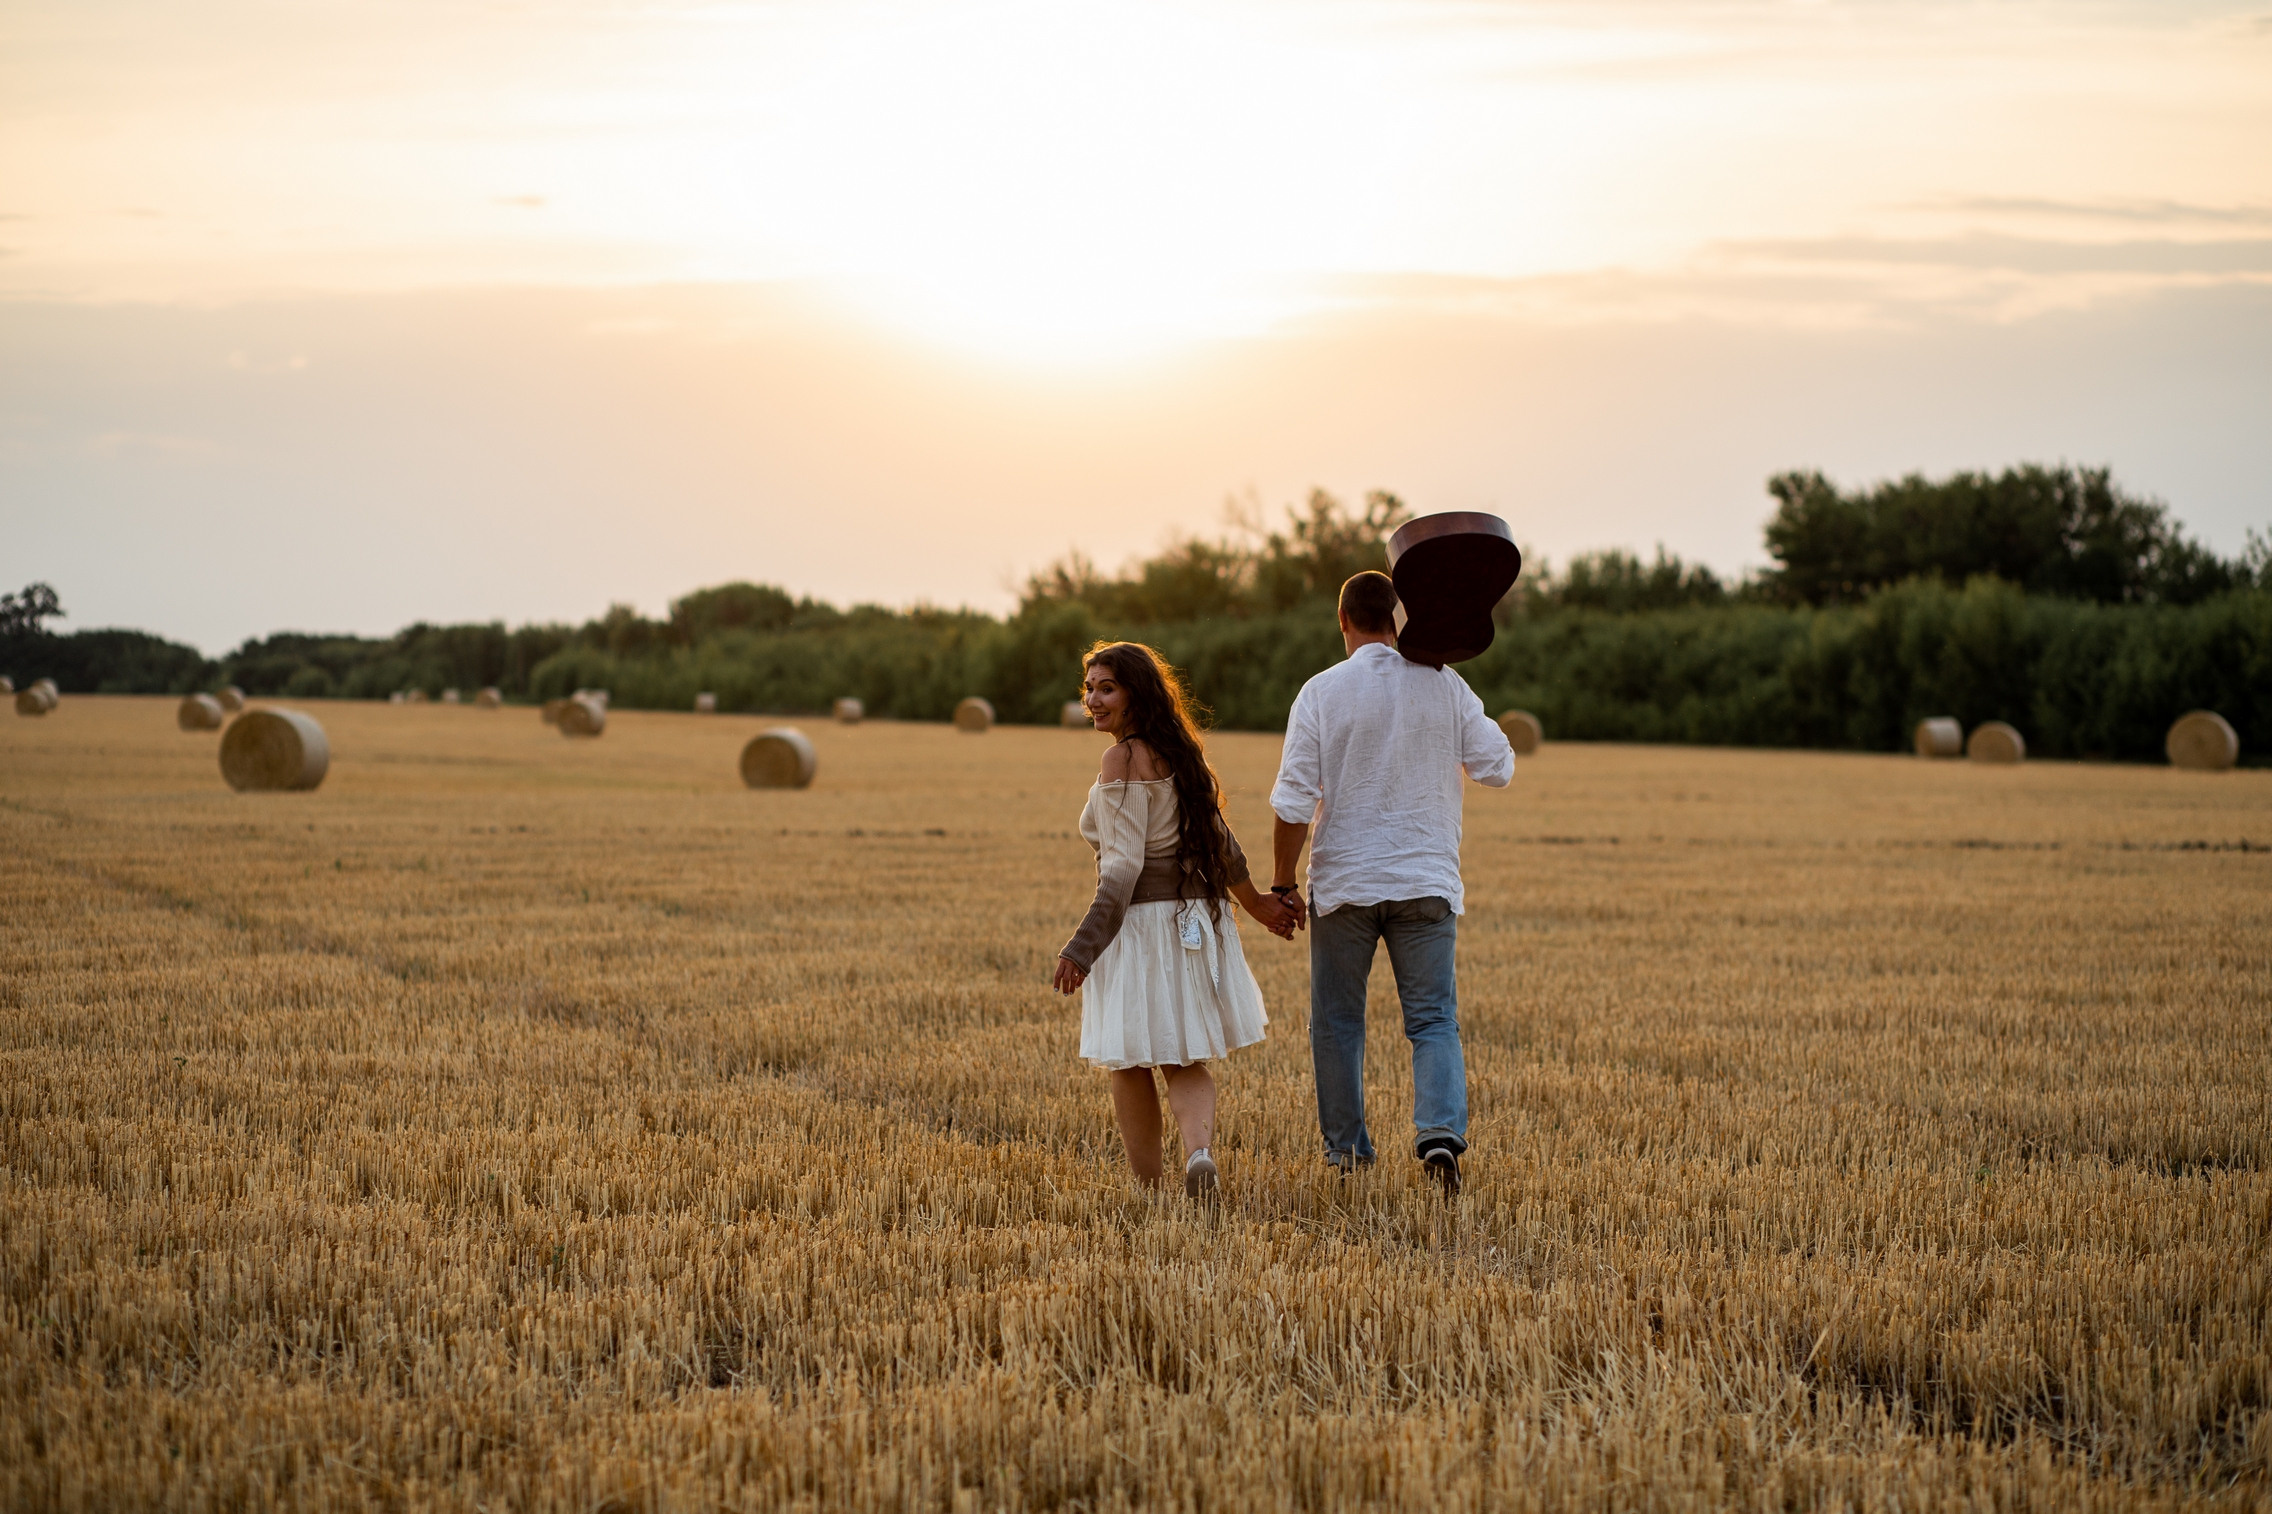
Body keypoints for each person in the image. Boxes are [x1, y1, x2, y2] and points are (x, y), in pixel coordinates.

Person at [1268, 570, 1515, 1195]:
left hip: (1345, 882)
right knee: (1433, 1020)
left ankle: (1347, 1152)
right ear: (1398, 619)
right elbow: (1500, 768)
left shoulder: (1321, 691)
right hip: (1427, 880)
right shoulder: (1445, 684)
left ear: (1343, 621)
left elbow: (1294, 801)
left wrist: (1282, 883)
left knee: (1337, 1023)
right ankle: (1438, 1135)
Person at [1052, 641, 1301, 1198]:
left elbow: (1120, 872)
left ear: (1135, 693)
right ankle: (1200, 1153)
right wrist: (1257, 902)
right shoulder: (1182, 753)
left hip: (1139, 926)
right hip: (1196, 921)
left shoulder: (1120, 760)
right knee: (1183, 1055)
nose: (1092, 699)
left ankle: (1147, 1188)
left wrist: (1081, 947)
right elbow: (1222, 844)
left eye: (1106, 688)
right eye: (1089, 687)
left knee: (1130, 1060)